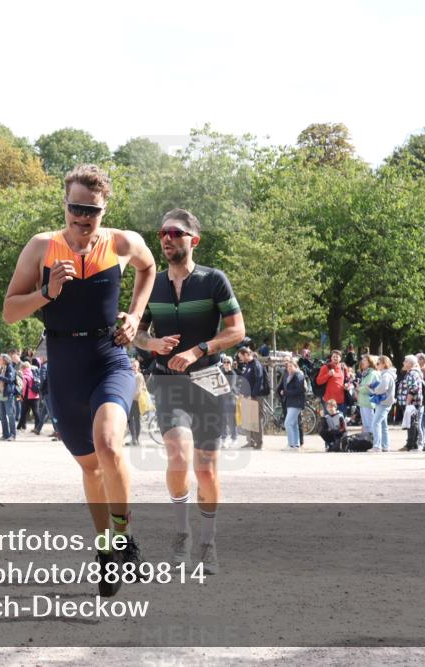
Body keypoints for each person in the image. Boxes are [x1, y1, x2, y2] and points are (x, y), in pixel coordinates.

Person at [2, 164, 156, 597]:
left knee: (109, 444)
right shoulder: (41, 248)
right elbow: (10, 310)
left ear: (104, 209)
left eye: (92, 210)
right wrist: (46, 293)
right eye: (75, 208)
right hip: (64, 363)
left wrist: (136, 315)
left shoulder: (124, 243)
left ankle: (124, 538)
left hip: (110, 356)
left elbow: (149, 270)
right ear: (64, 204)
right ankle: (106, 549)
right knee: (90, 466)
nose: (82, 217)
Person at [134, 208, 245, 573]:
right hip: (168, 381)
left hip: (208, 380)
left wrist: (200, 349)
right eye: (163, 233)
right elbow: (137, 331)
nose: (166, 238)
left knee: (208, 469)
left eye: (175, 233)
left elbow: (236, 330)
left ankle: (208, 544)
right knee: (178, 456)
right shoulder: (152, 284)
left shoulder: (214, 280)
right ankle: (181, 533)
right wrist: (152, 345)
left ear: (192, 240)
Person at [236, 346, 266, 449]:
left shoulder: (256, 365)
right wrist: (241, 393)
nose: (240, 359)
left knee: (256, 420)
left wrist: (252, 396)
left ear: (246, 354)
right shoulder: (248, 365)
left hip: (255, 397)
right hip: (247, 396)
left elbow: (259, 381)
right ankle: (250, 441)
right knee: (249, 420)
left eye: (241, 357)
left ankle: (259, 443)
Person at [368, 356, 396, 452]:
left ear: (384, 364)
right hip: (385, 402)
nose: (377, 365)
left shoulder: (386, 375)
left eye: (378, 363)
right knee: (383, 425)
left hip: (384, 402)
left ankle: (377, 446)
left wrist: (373, 389)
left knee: (375, 423)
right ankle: (385, 446)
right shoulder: (386, 374)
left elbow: (383, 388)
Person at [279, 357, 306, 451]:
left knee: (287, 423)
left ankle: (291, 445)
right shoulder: (289, 375)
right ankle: (296, 445)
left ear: (296, 366)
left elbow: (300, 390)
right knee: (294, 424)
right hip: (290, 402)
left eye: (291, 366)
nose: (289, 368)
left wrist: (286, 392)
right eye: (288, 367)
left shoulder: (298, 375)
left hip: (296, 402)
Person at [315, 350, 347, 415]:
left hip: (340, 400)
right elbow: (318, 381)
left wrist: (347, 385)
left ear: (340, 358)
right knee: (329, 422)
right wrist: (328, 375)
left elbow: (347, 380)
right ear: (331, 358)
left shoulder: (343, 367)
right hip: (329, 400)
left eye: (337, 357)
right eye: (333, 356)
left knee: (341, 422)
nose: (335, 358)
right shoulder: (325, 367)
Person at [0, 354, 18, 441]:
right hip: (0, 394)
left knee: (10, 415)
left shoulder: (10, 368)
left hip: (8, 395)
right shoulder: (1, 368)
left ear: (5, 360)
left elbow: (9, 380)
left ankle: (12, 435)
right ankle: (5, 435)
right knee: (2, 416)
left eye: (0, 359)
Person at [357, 355, 379, 436]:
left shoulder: (372, 373)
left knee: (370, 425)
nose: (362, 361)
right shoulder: (366, 373)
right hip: (363, 402)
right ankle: (368, 442)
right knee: (366, 425)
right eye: (362, 359)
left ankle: (373, 442)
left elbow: (369, 388)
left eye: (365, 360)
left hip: (369, 402)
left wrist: (359, 388)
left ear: (370, 362)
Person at [220, 356, 239, 446]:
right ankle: (223, 438)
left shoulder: (233, 374)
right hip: (222, 399)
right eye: (224, 362)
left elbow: (230, 387)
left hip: (230, 398)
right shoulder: (221, 373)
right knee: (223, 419)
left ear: (231, 364)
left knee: (231, 419)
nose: (226, 364)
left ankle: (234, 438)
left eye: (228, 362)